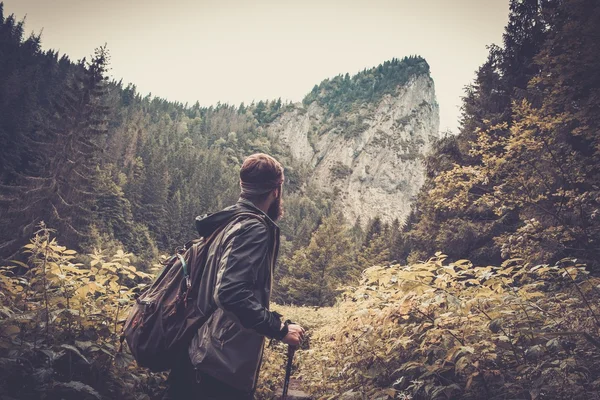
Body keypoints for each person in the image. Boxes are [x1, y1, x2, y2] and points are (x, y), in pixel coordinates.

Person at [163, 153, 305, 400]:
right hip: (216, 366)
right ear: (276, 190)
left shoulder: (226, 223)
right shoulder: (253, 228)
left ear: (243, 187)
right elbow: (230, 292)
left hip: (195, 354)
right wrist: (280, 329)